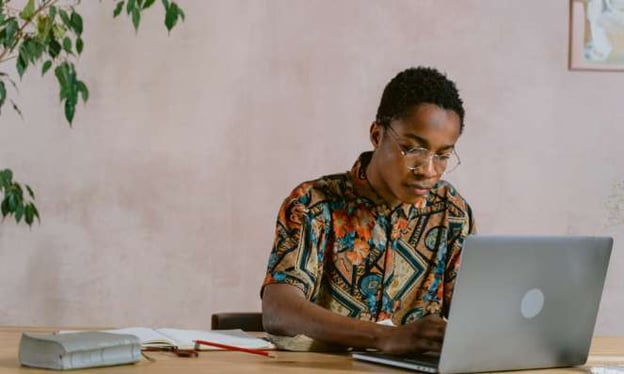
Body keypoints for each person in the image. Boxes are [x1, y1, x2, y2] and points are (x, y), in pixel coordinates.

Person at [260, 66, 476, 355]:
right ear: (377, 135)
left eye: (443, 155)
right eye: (413, 149)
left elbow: (475, 314)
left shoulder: (452, 212)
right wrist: (384, 337)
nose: (428, 170)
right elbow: (278, 310)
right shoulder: (313, 204)